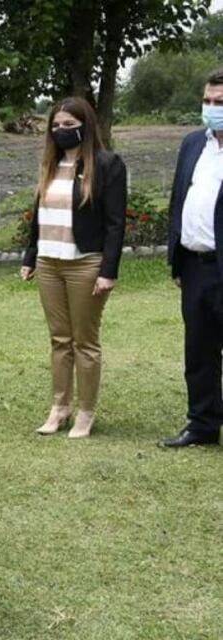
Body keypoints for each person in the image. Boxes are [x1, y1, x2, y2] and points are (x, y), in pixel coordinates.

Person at [20, 97, 126, 439]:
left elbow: (114, 224)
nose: (61, 130)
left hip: (85, 263)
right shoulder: (49, 165)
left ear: (85, 126)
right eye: (56, 125)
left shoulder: (107, 165)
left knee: (85, 341)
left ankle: (85, 412)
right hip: (49, 262)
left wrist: (108, 270)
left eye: (69, 125)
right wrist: (30, 256)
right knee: (59, 339)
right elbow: (38, 217)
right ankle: (59, 407)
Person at [160, 68, 223, 448]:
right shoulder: (192, 144)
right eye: (208, 101)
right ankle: (202, 424)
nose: (211, 108)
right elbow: (178, 201)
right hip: (195, 266)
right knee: (199, 351)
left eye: (220, 103)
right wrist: (177, 258)